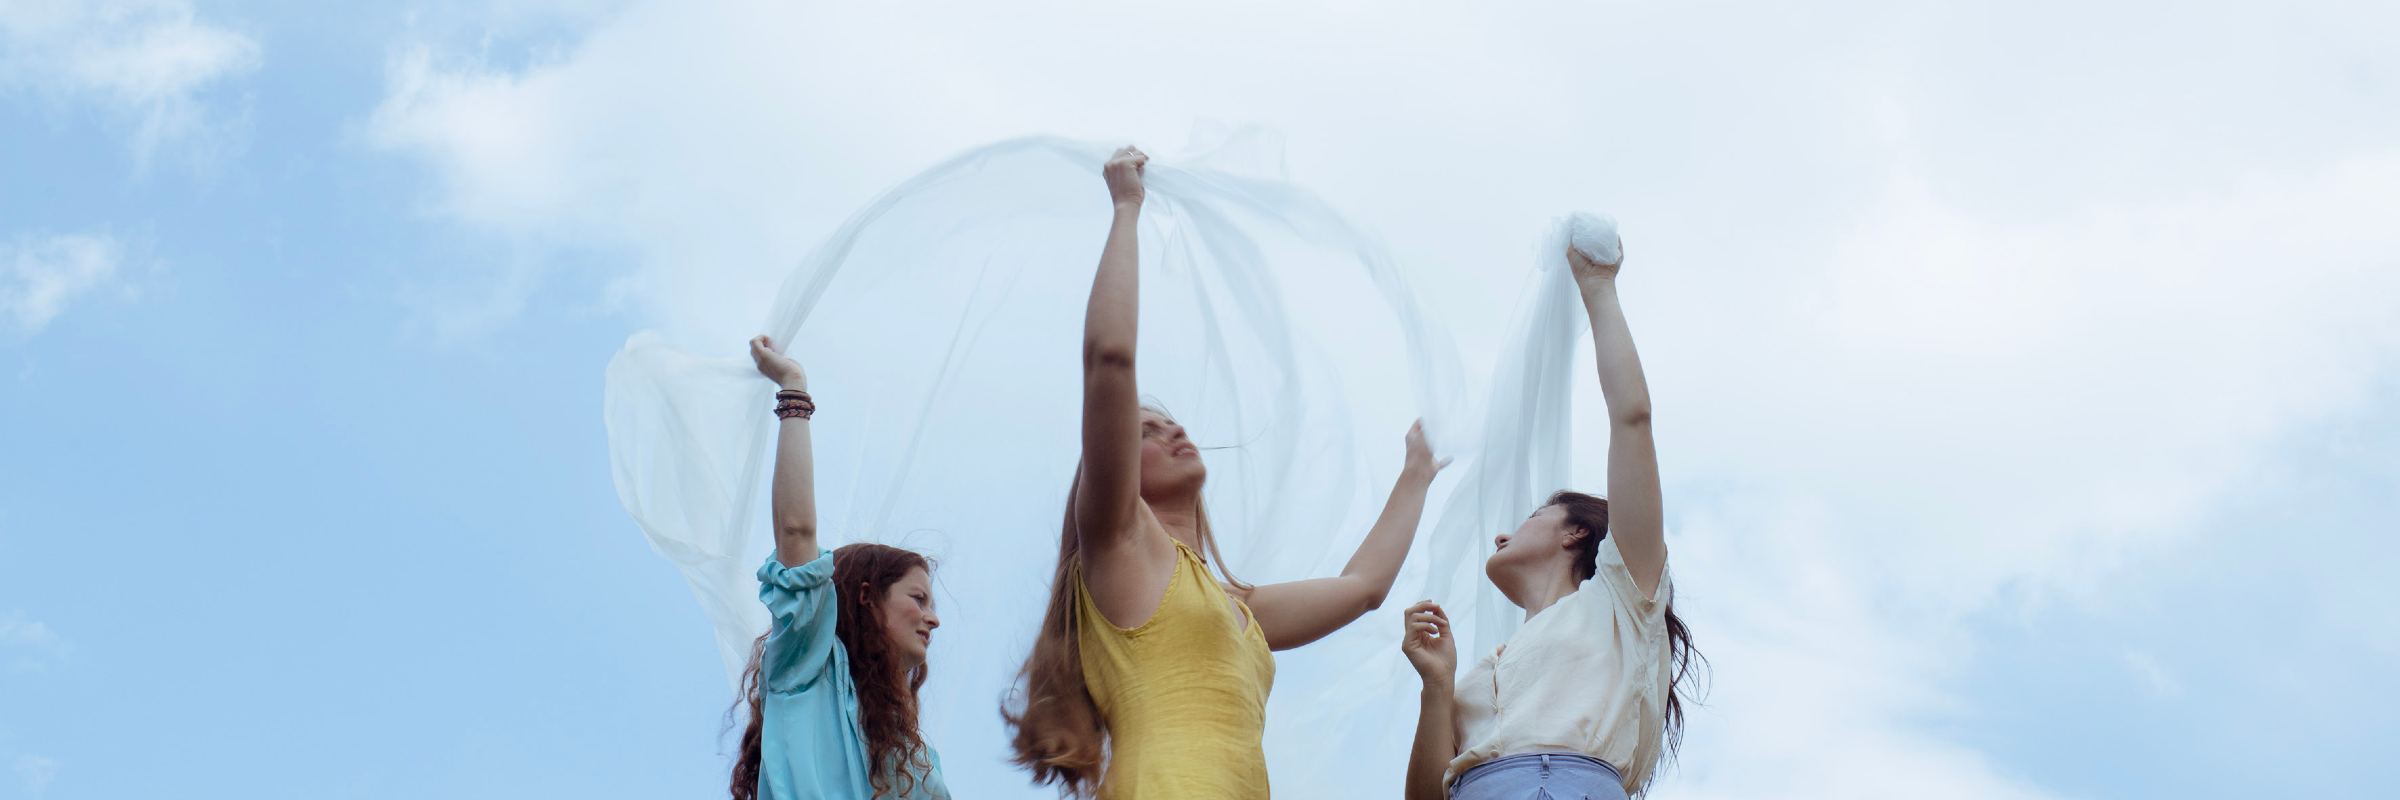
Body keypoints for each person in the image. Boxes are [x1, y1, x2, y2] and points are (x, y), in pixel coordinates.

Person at [1003, 146, 1451, 799]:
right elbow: (1109, 359)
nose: (1173, 431)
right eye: (1145, 433)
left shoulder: (1237, 606)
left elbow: (1365, 587)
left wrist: (1416, 471)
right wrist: (1127, 209)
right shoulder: (1120, 545)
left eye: (1170, 423)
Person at [1400, 225, 1702, 800]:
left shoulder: (1622, 599)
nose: (1501, 533)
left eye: (1535, 513)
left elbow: (1631, 420)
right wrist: (1437, 684)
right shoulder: (1479, 672)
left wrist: (1598, 285)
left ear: (1577, 535)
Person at [731, 334, 950, 800]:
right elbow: (796, 531)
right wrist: (793, 390)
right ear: (866, 596)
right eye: (918, 598)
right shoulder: (809, 665)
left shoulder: (918, 761)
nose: (933, 617)